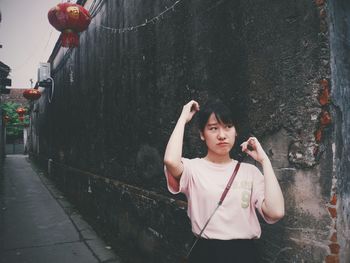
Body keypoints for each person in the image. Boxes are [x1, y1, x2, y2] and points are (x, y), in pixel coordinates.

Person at [163, 99, 285, 263]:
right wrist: (183, 118)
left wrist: (265, 161)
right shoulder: (193, 168)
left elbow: (276, 212)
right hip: (206, 253)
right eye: (213, 128)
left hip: (245, 255)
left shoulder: (250, 172)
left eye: (228, 127)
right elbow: (171, 161)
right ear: (202, 134)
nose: (222, 135)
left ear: (235, 131)